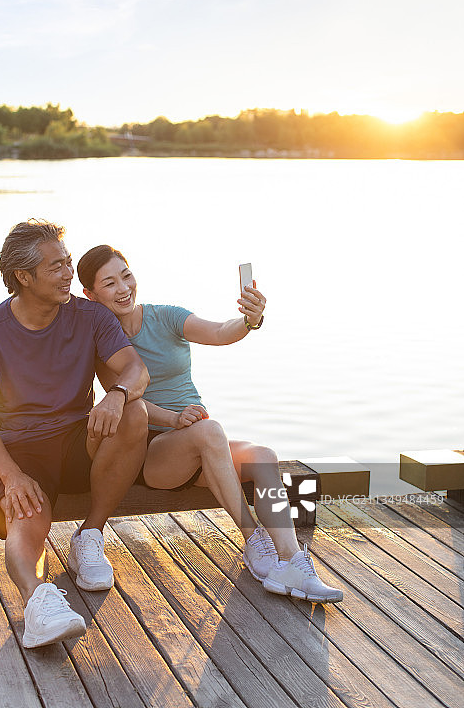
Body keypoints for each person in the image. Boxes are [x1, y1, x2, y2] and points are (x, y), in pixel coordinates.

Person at [77, 245, 343, 603]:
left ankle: (293, 559)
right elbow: (126, 398)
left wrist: (250, 320)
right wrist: (174, 418)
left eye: (126, 275)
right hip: (153, 455)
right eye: (109, 283)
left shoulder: (165, 317)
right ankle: (253, 542)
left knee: (264, 456)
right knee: (210, 430)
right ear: (90, 295)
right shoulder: (104, 340)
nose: (123, 288)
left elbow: (219, 331)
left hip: (203, 446)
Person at [0, 221, 149, 649]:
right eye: (57, 267)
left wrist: (116, 395)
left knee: (134, 413)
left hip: (76, 440)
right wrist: (10, 476)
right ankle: (39, 602)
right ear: (24, 277)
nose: (69, 273)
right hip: (18, 450)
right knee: (26, 520)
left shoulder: (91, 316)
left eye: (68, 262)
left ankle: (90, 535)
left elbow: (136, 369)